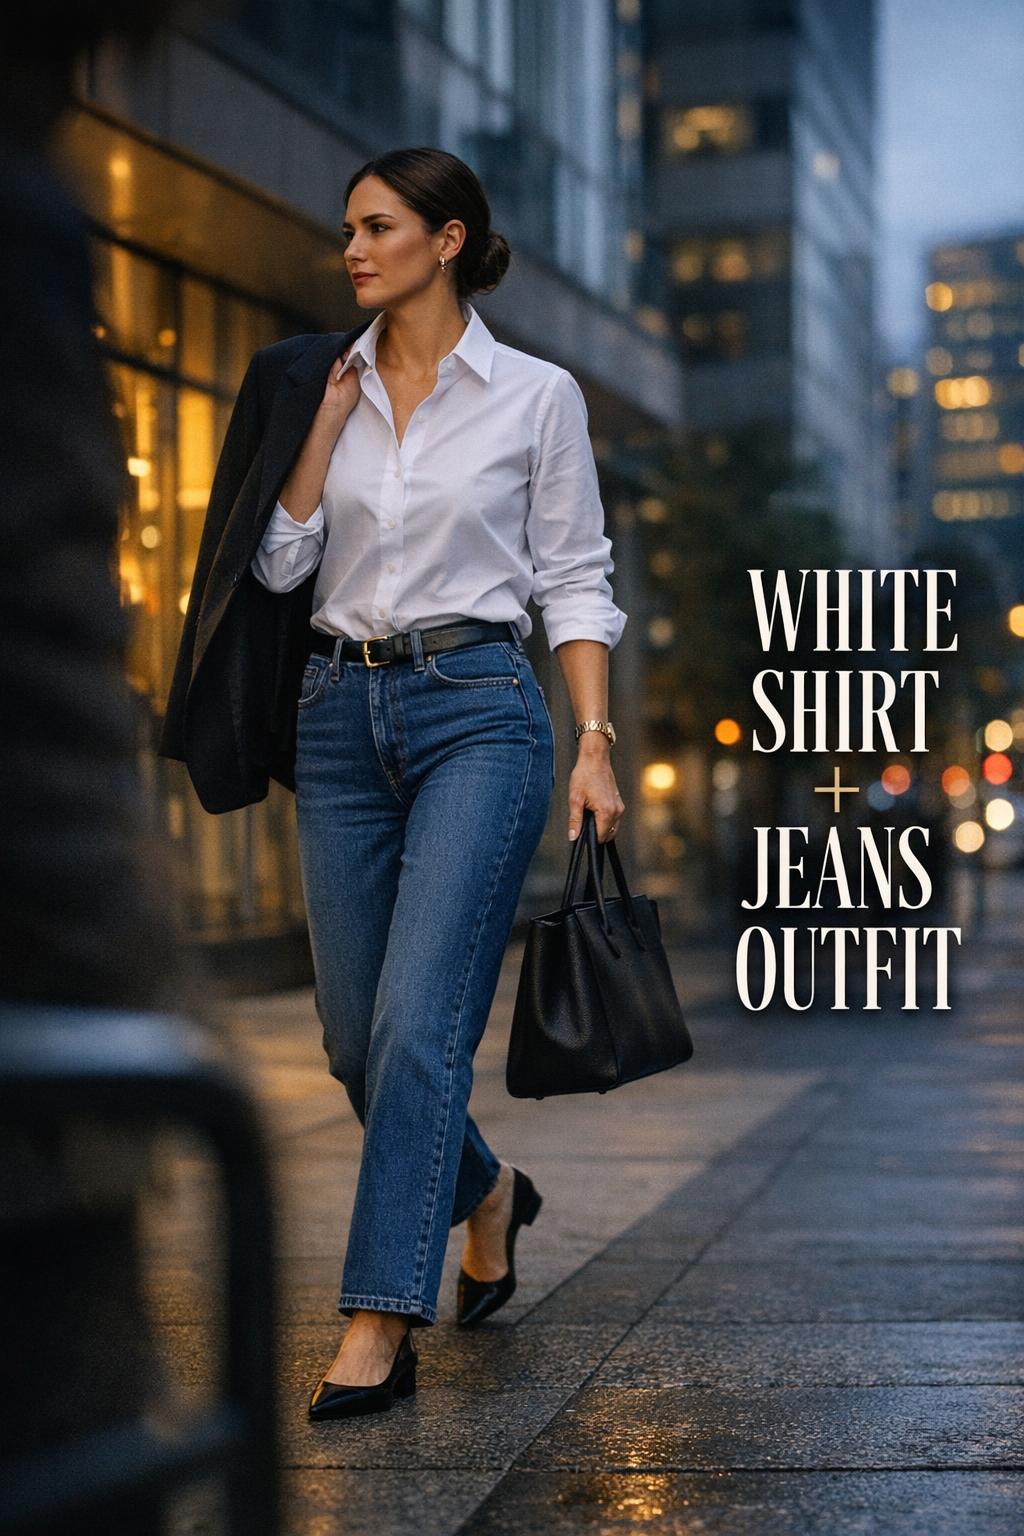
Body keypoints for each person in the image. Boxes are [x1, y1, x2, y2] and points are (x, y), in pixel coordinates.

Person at [234, 145, 626, 1418]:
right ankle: (488, 1193)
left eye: (378, 226)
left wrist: (596, 742)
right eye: (346, 229)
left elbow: (572, 578)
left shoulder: (534, 395)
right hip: (338, 715)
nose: (352, 249)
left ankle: (376, 1319)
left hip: (480, 713)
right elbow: (284, 570)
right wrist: (329, 426)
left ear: (447, 240)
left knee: (417, 1027)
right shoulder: (319, 383)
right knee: (355, 1039)